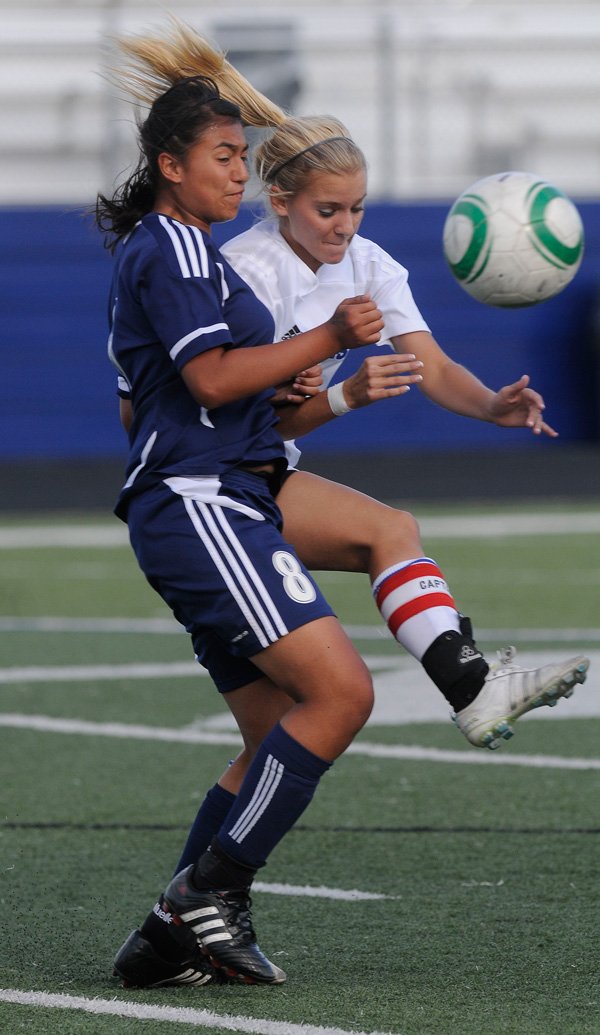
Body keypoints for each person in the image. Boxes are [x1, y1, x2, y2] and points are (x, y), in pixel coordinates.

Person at [99, 24, 589, 991]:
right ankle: (212, 895)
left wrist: (479, 403)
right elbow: (198, 384)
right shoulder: (208, 257)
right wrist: (324, 361)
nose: (236, 174)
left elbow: (226, 392)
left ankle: (170, 930)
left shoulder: (201, 249)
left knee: (315, 654)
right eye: (225, 158)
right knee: (342, 694)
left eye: (243, 156)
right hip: (206, 494)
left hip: (234, 483)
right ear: (174, 165)